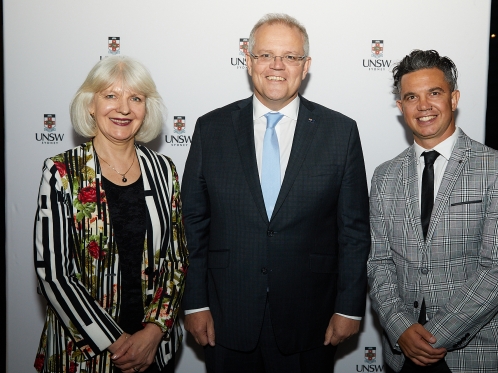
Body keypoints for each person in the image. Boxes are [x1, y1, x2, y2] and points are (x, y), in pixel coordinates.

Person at [181, 13, 370, 373]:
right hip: (225, 315)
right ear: (249, 60)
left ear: (306, 65)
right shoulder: (211, 129)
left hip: (310, 317)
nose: (277, 66)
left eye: (291, 57)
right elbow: (192, 224)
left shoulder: (340, 131)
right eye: (266, 55)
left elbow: (354, 231)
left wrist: (348, 307)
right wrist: (194, 304)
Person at [367, 49, 498, 373]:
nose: (423, 105)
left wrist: (434, 336)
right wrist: (400, 328)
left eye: (434, 93)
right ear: (400, 108)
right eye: (411, 96)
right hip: (403, 355)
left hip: (475, 353)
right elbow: (378, 262)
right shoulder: (384, 176)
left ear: (454, 99)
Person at [33, 56, 188, 373]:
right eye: (110, 95)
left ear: (146, 108)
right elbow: (54, 275)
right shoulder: (62, 171)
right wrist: (115, 343)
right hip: (83, 354)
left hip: (152, 353)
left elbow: (177, 259)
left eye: (135, 98)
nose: (124, 108)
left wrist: (154, 331)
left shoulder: (163, 170)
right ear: (91, 104)